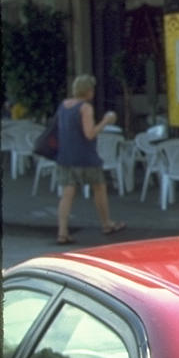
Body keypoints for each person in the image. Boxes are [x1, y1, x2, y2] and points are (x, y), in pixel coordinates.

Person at [55, 74, 127, 244]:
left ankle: (62, 232)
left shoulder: (64, 105)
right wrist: (105, 121)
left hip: (66, 156)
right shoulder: (85, 108)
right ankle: (106, 223)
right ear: (88, 90)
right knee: (99, 187)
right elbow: (89, 134)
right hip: (85, 156)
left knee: (67, 194)